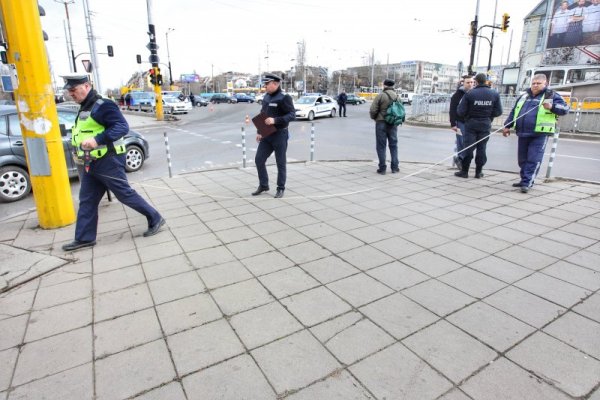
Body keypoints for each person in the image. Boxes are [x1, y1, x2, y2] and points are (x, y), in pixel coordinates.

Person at [61, 74, 165, 251]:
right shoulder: (85, 106)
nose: (72, 94)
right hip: (92, 161)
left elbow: (121, 126)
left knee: (124, 194)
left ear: (86, 86)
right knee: (87, 199)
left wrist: (97, 139)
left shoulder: (103, 105)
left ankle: (155, 218)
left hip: (108, 159)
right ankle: (84, 238)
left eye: (74, 90)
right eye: (70, 91)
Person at [502, 73, 569, 193]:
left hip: (540, 133)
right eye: (533, 83)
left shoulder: (550, 95)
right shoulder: (524, 96)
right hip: (522, 132)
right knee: (522, 160)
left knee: (533, 159)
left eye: (538, 83)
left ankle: (527, 182)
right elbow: (514, 111)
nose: (535, 85)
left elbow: (565, 109)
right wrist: (507, 126)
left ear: (545, 84)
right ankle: (524, 180)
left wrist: (552, 107)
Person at [252, 73, 296, 198]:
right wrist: (259, 131)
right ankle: (264, 185)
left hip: (280, 134)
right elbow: (263, 113)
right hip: (267, 134)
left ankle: (280, 188)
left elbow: (292, 115)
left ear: (275, 84)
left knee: (280, 162)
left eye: (267, 84)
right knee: (259, 159)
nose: (265, 86)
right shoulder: (266, 97)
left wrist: (275, 120)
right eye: (265, 84)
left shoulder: (284, 98)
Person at [455, 73, 503, 179]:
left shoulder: (470, 94)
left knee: (468, 147)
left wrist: (468, 117)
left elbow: (460, 111)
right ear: (486, 81)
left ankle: (465, 171)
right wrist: (488, 117)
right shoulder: (494, 94)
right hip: (485, 124)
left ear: (476, 81)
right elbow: (498, 111)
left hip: (471, 124)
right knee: (482, 148)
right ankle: (478, 172)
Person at [369, 79, 400, 174]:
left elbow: (373, 110)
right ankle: (395, 168)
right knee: (393, 145)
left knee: (381, 146)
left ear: (384, 85)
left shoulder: (381, 95)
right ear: (393, 86)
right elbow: (400, 110)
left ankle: (382, 168)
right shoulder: (397, 97)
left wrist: (375, 118)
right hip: (393, 123)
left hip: (381, 122)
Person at [449, 75, 474, 169]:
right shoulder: (458, 95)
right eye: (468, 82)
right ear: (463, 83)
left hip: (471, 122)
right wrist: (453, 123)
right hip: (460, 122)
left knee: (470, 143)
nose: (470, 84)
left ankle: (463, 161)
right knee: (461, 142)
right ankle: (460, 159)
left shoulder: (474, 93)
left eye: (472, 82)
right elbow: (452, 110)